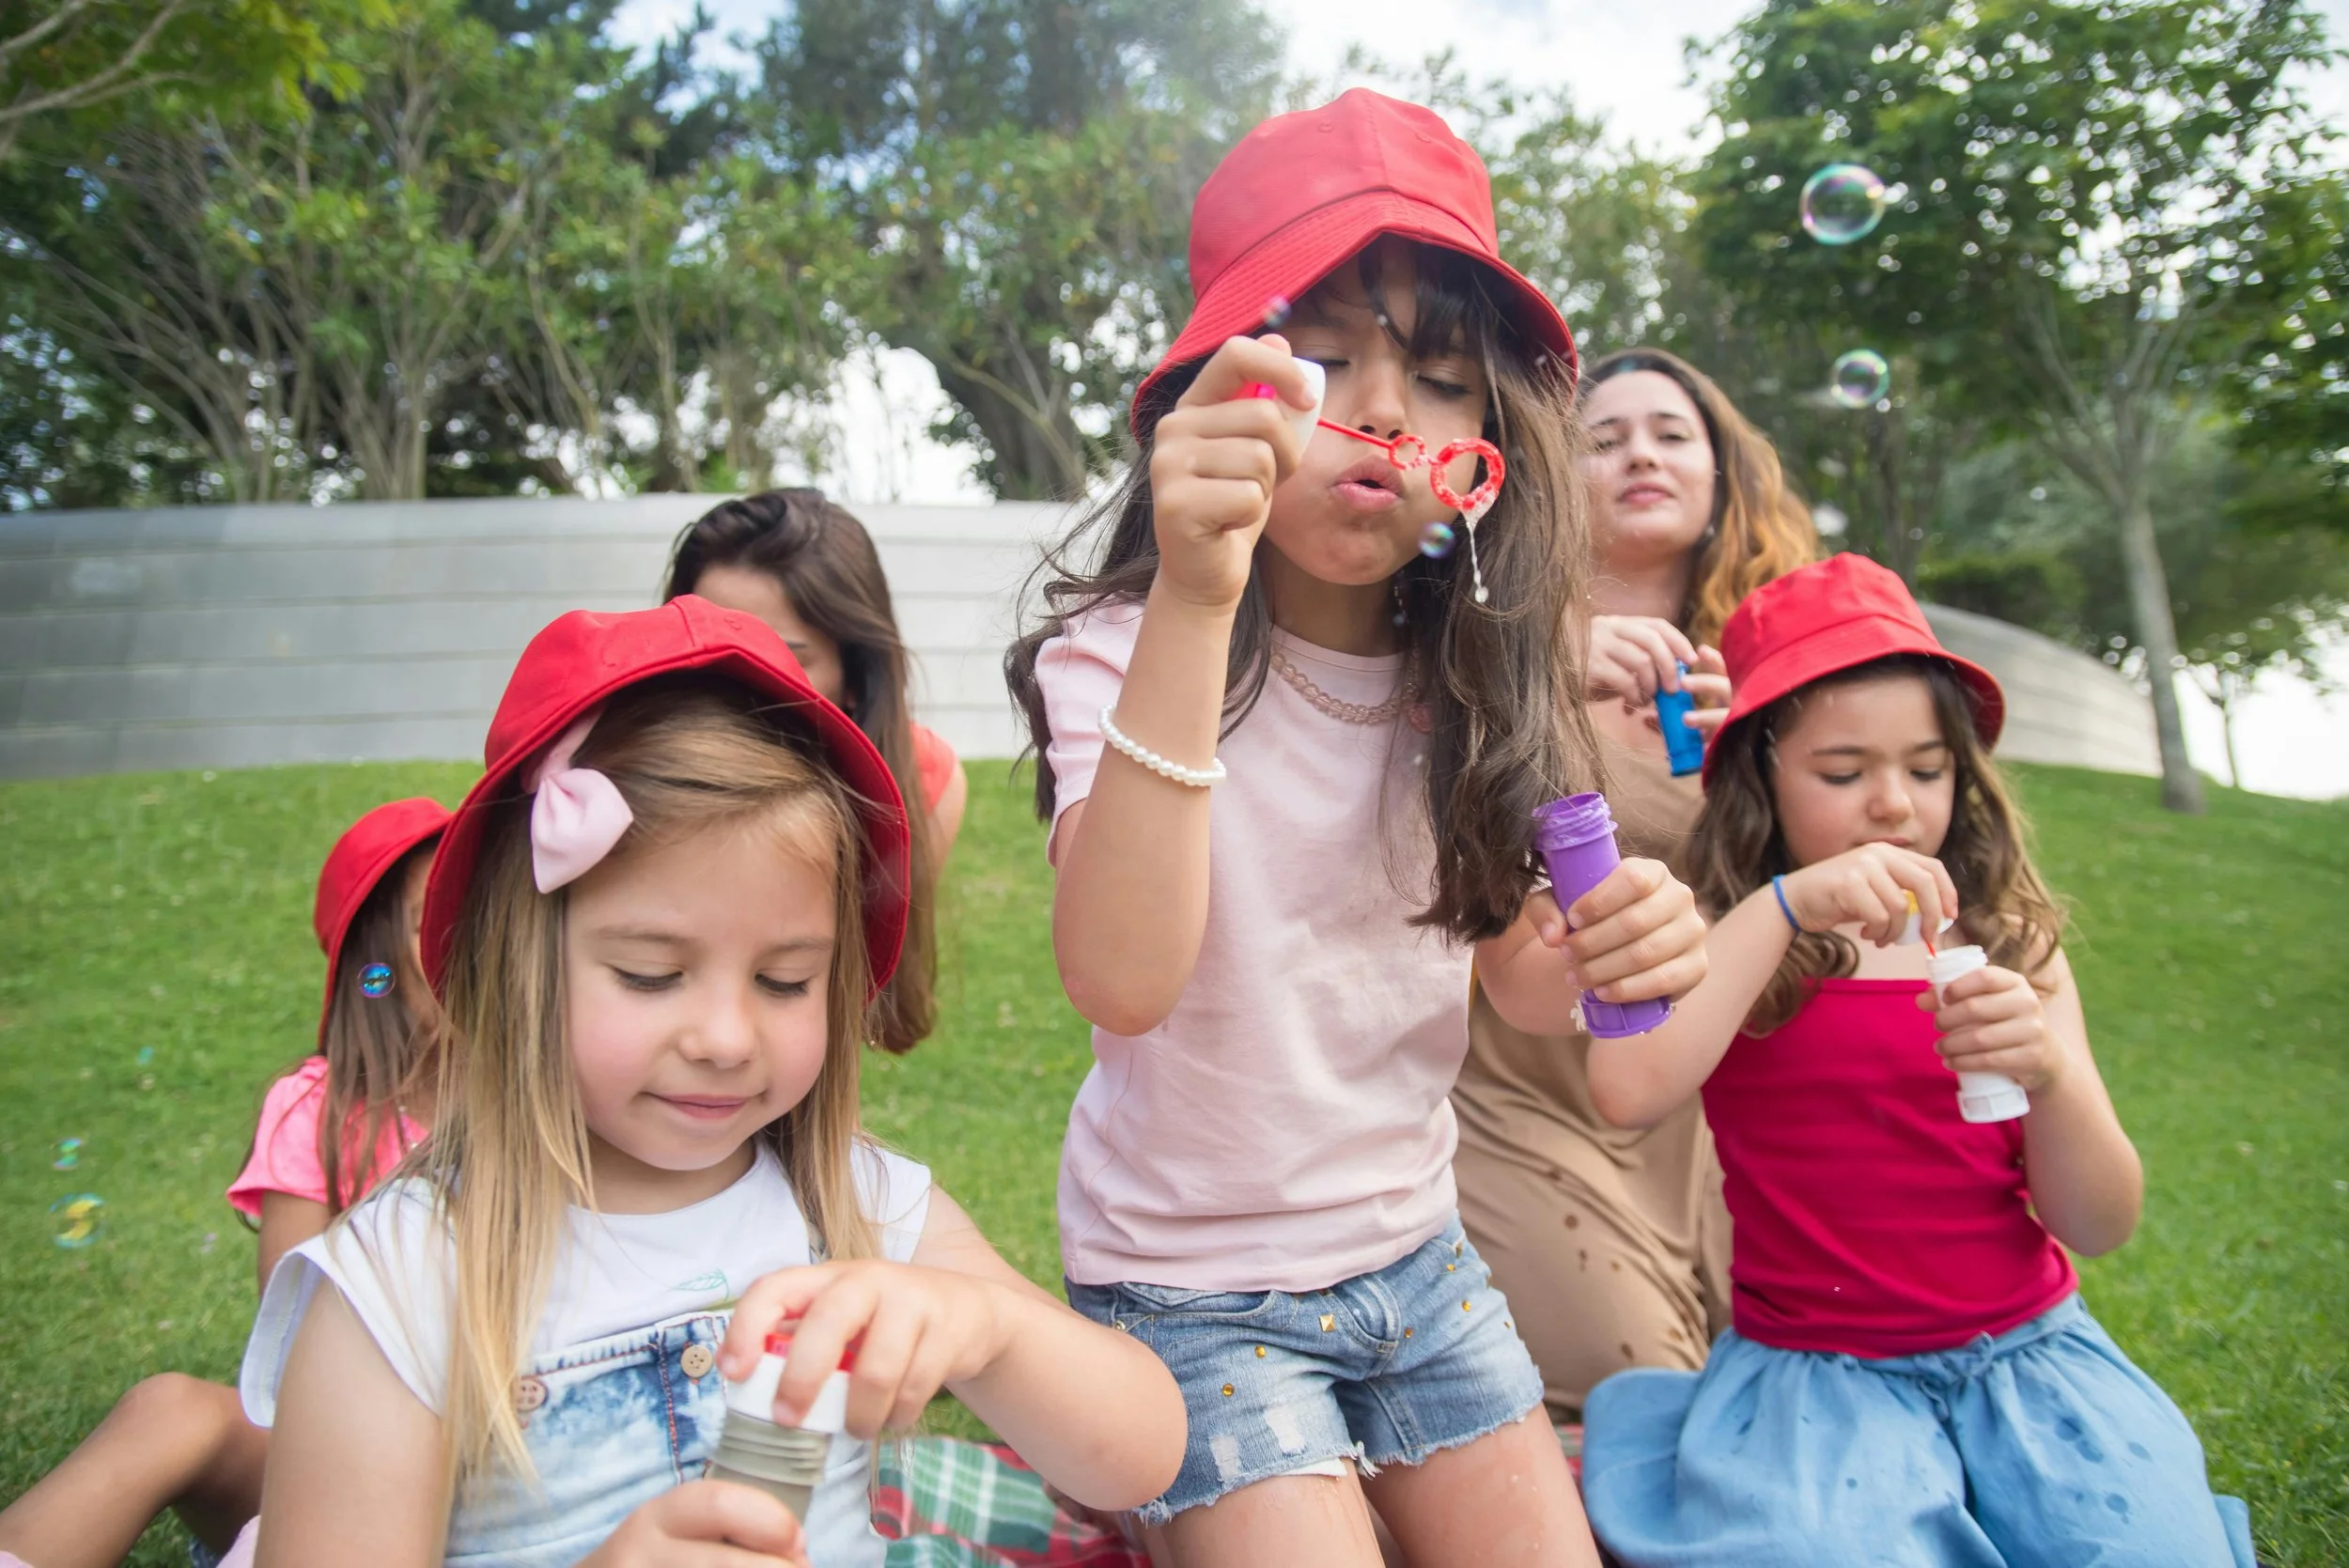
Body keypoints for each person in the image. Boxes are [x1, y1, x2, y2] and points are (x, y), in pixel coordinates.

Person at [1003, 90, 1710, 1568]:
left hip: (1418, 1259)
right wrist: (1199, 597)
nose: (1386, 412)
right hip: (1190, 1293)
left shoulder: (1477, 667)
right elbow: (1122, 978)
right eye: (1318, 357)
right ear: (1206, 393)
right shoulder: (1122, 647)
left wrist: (1619, 929)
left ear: (1492, 436)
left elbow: (1520, 980)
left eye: (1443, 376)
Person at [241, 598, 1184, 1568]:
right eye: (651, 974)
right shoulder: (404, 1282)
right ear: (515, 968)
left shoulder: (856, 1207)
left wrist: (988, 1330)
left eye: (785, 980)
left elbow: (1140, 1454)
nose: (729, 1038)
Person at [1577, 554, 2254, 1567]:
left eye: (1926, 769)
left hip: (2031, 1371)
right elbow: (1627, 1089)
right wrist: (1784, 905)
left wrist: (2052, 1079)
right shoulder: (1744, 942)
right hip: (1819, 1383)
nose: (1892, 803)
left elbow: (2099, 1221)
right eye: (1842, 772)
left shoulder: (2010, 945)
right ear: (1759, 772)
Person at [1451, 348, 1817, 1433]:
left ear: (1722, 476)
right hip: (1519, 1092)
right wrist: (1541, 664)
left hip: (1714, 1114)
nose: (1638, 454)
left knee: (1765, 1394)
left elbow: (1856, 906)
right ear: (1555, 480)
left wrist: (1763, 777)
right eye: (1601, 439)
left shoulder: (1791, 679)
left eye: (1670, 432)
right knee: (1638, 1389)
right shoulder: (1481, 648)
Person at [0, 799, 450, 1568]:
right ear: (375, 959)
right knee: (169, 1406)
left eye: (479, 910)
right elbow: (297, 1313)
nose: (461, 940)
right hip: (345, 1423)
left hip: (509, 1433)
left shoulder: (549, 1094)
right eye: (430, 919)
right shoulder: (317, 1108)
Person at [667, 488, 964, 1055]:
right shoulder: (605, 777)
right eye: (706, 647)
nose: (730, 684)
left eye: (781, 656)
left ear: (855, 674)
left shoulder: (926, 782)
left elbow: (842, 1017)